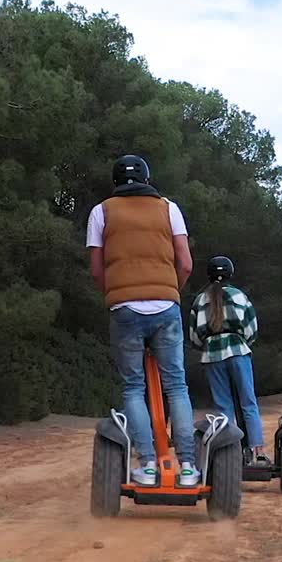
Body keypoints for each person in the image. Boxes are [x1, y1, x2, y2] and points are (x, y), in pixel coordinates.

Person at [86, 153, 200, 488]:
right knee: (176, 385)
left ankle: (148, 466)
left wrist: (116, 295)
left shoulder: (101, 211)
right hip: (166, 305)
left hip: (124, 309)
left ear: (115, 182)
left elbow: (96, 270)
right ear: (147, 180)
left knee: (134, 387)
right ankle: (188, 467)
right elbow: (186, 264)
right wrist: (170, 291)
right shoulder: (169, 208)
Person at [189, 256, 268, 466]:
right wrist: (243, 342)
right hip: (237, 349)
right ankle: (257, 452)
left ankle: (230, 454)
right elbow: (252, 330)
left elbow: (194, 336)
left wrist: (207, 344)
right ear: (230, 273)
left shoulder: (200, 300)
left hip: (212, 355)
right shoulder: (239, 296)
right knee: (248, 403)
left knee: (224, 407)